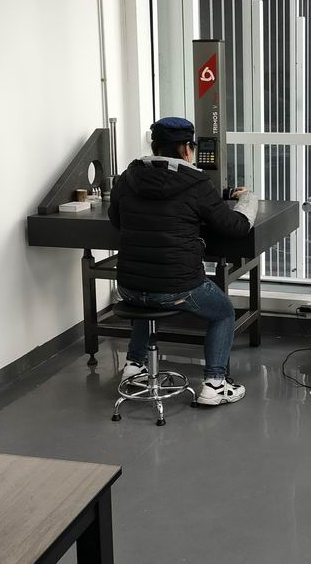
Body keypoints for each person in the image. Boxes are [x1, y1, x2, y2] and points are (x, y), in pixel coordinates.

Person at [107, 117, 257, 406]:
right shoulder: (196, 183)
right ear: (187, 149)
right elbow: (235, 227)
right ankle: (215, 384)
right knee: (224, 312)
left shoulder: (127, 177)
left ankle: (134, 366)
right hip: (175, 289)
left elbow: (116, 219)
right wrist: (248, 198)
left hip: (129, 287)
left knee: (146, 292)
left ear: (154, 146)